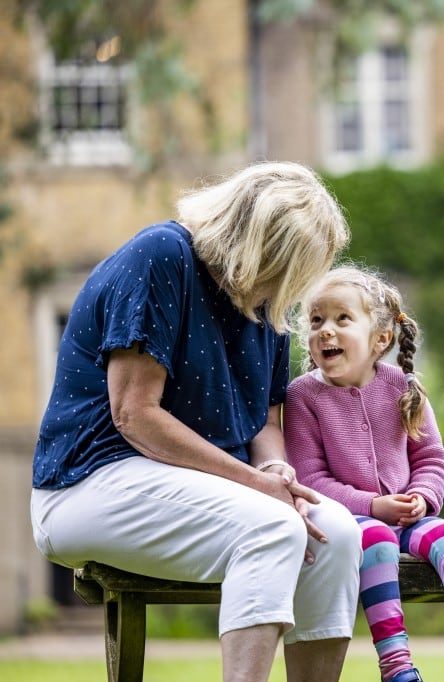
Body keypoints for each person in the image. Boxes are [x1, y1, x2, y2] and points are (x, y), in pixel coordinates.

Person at [29, 162, 363, 682]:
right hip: (89, 482)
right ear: (256, 245)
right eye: (284, 268)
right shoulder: (161, 257)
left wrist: (275, 469)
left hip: (203, 486)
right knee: (273, 528)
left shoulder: (266, 302)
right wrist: (256, 485)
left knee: (337, 534)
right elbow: (134, 415)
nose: (288, 289)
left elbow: (264, 422)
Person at [285, 265, 444, 682]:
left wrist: (422, 497)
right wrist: (372, 505)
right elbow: (309, 479)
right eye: (316, 321)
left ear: (380, 339)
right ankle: (397, 666)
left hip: (408, 516)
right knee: (377, 538)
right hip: (352, 522)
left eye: (341, 319)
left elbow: (431, 458)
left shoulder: (404, 388)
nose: (325, 331)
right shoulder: (303, 397)